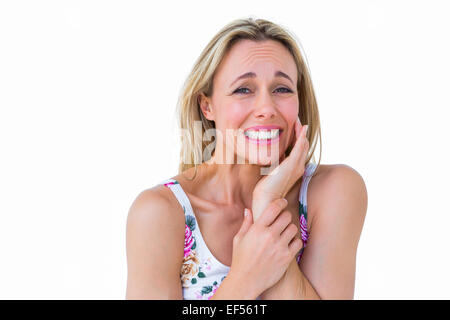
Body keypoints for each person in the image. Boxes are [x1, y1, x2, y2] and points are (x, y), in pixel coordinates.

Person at [125, 17, 368, 300]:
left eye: (282, 89)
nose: (266, 108)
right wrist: (245, 279)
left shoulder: (333, 191)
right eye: (244, 89)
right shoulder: (159, 214)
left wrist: (267, 203)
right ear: (207, 106)